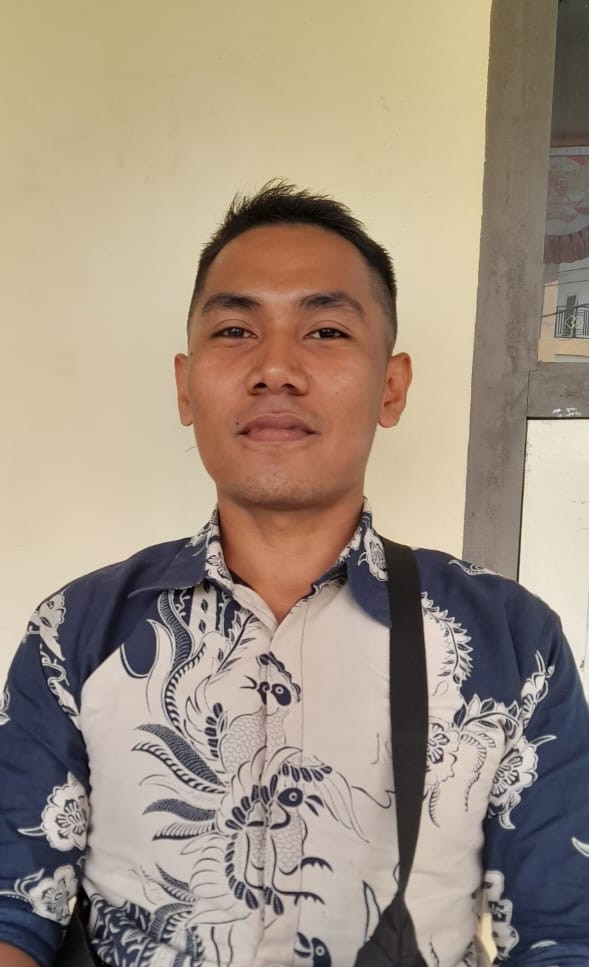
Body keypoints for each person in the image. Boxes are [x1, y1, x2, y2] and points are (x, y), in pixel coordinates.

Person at [0, 183, 588, 967]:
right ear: (185, 385)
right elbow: (13, 909)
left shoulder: (509, 639)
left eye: (325, 330)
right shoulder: (77, 629)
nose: (275, 367)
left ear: (391, 386)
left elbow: (562, 935)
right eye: (235, 330)